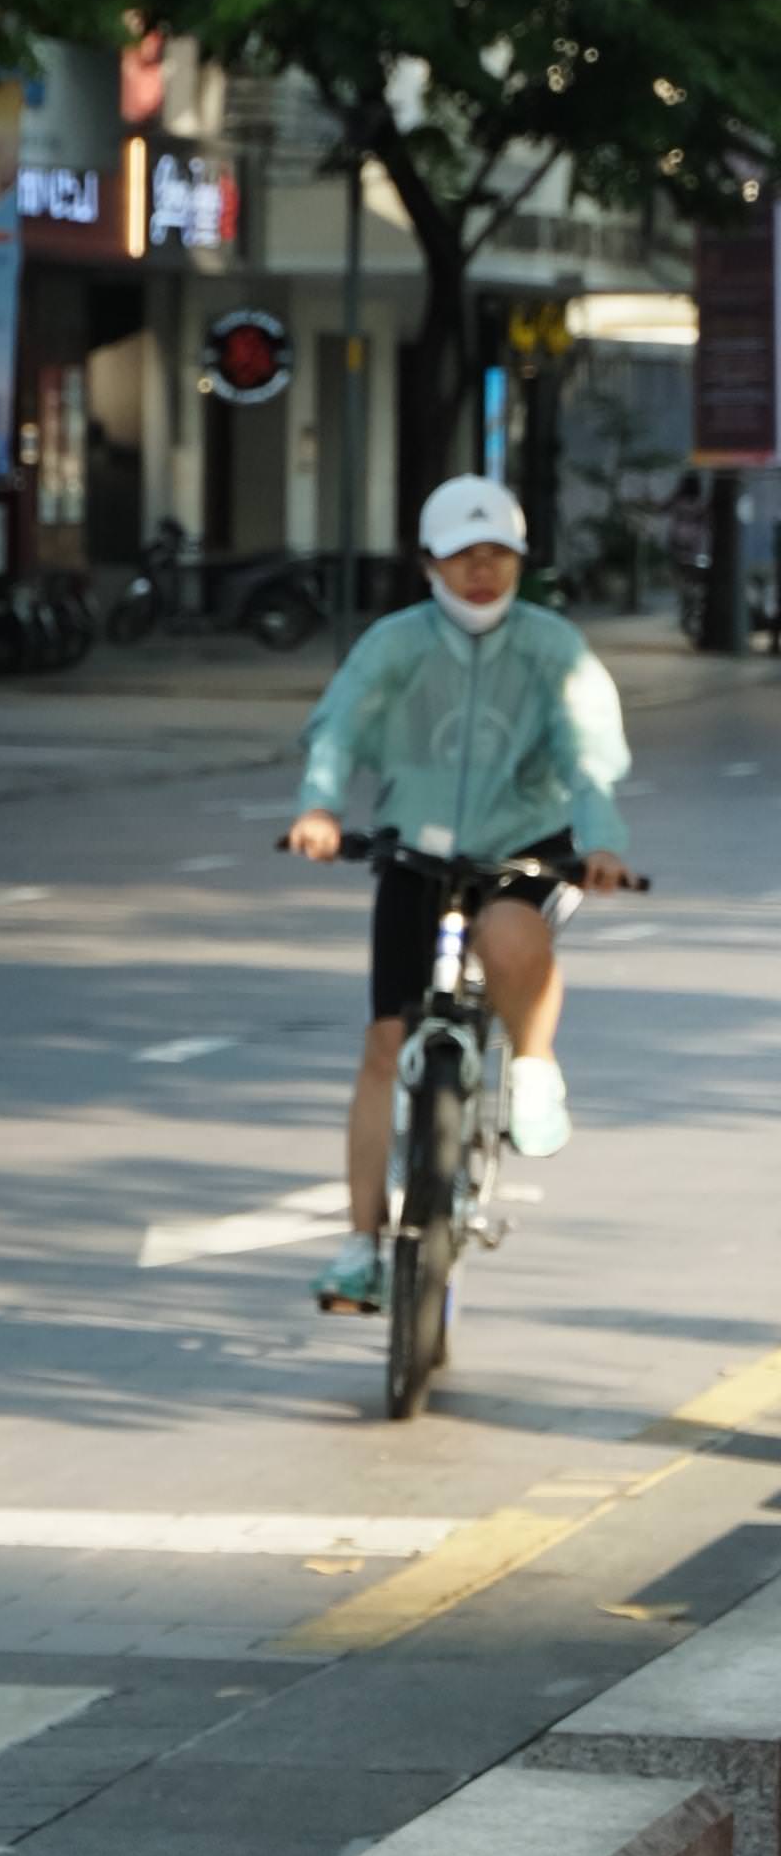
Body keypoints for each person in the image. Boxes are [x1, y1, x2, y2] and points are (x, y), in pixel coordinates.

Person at [285, 475, 638, 1312]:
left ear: (521, 561)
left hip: (522, 848)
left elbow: (591, 753)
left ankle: (535, 1067)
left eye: (498, 555)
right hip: (416, 852)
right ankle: (362, 1248)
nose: (482, 573)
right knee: (385, 1044)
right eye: (462, 556)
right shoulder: (395, 644)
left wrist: (603, 844)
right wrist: (320, 807)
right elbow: (339, 727)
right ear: (428, 564)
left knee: (512, 939)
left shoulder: (553, 648)